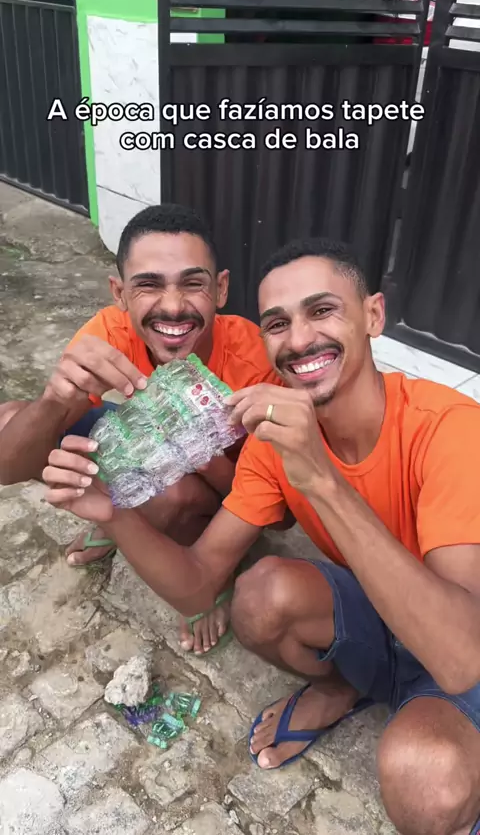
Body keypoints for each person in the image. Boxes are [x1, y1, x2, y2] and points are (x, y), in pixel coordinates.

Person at [43, 237, 480, 835]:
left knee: (425, 782)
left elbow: (459, 659)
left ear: (373, 316)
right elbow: (199, 585)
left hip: (462, 630)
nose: (299, 339)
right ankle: (343, 686)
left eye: (322, 311)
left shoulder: (452, 429)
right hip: (381, 610)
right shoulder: (276, 442)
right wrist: (111, 513)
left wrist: (320, 479)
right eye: (277, 323)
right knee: (258, 596)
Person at [0, 203, 283, 655]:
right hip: (146, 442)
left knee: (173, 497)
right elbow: (8, 467)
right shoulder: (111, 333)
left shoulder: (258, 363)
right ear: (120, 293)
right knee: (16, 418)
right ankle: (120, 524)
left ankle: (209, 571)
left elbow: (279, 513)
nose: (172, 306)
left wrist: (197, 452)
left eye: (193, 283)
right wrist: (54, 399)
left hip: (221, 484)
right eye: (148, 285)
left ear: (221, 289)